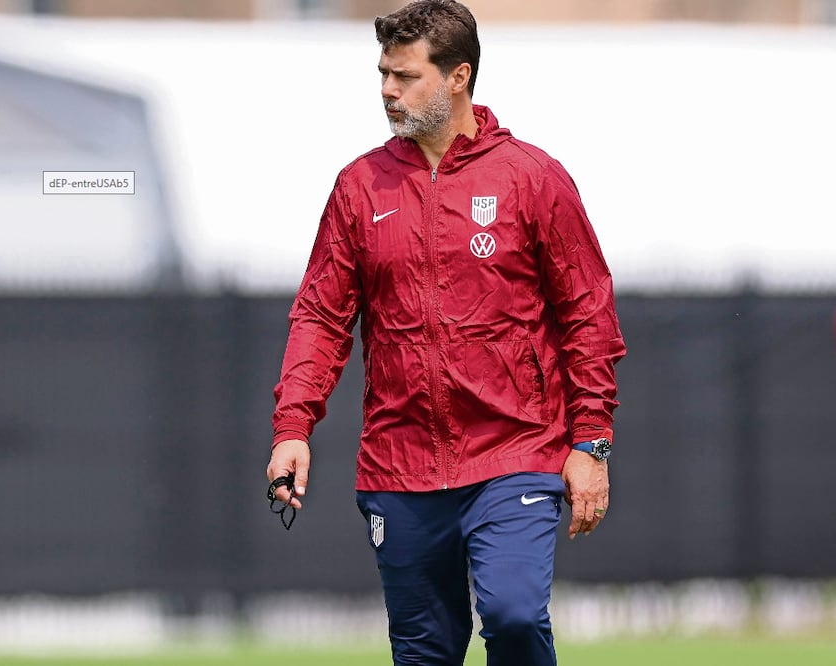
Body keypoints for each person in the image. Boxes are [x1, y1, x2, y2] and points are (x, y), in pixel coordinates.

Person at [266, 1, 626, 663]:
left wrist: (591, 444)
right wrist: (293, 427)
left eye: (404, 76)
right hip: (398, 467)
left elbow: (587, 316)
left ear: (458, 76)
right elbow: (319, 316)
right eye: (382, 74)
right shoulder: (358, 186)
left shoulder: (531, 177)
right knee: (424, 652)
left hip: (515, 450)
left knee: (513, 616)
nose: (386, 91)